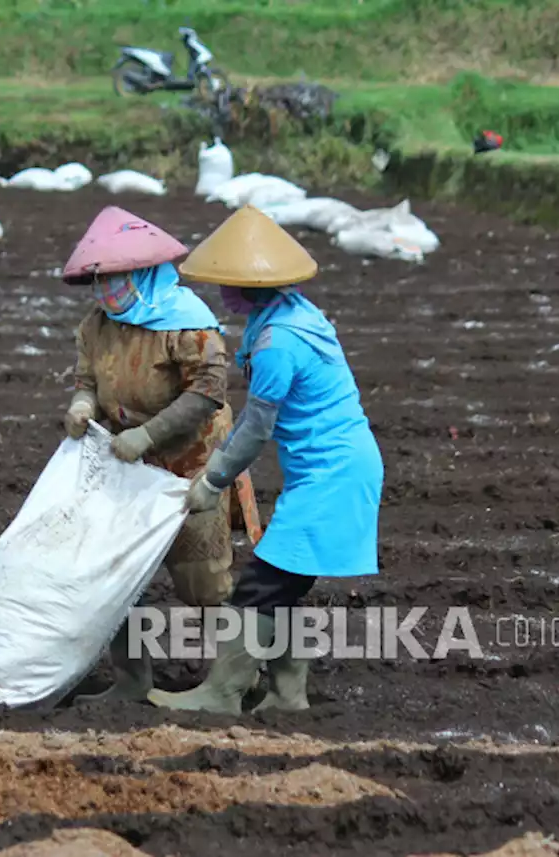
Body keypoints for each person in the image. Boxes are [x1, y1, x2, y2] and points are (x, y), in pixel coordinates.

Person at [146, 206, 384, 716]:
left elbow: (256, 427)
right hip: (331, 469)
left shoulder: (280, 342)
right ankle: (285, 694)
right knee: (283, 585)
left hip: (333, 475)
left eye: (227, 284)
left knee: (260, 587)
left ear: (248, 286)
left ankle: (223, 693)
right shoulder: (291, 312)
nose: (221, 293)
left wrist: (213, 480)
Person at [60, 205, 261, 704]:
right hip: (128, 468)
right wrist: (83, 403)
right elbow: (88, 377)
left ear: (144, 274)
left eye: (117, 279)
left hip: (193, 467)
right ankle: (131, 681)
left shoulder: (189, 325)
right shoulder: (96, 325)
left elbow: (207, 393)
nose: (107, 291)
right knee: (120, 576)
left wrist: (148, 435)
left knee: (204, 581)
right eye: (99, 282)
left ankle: (239, 678)